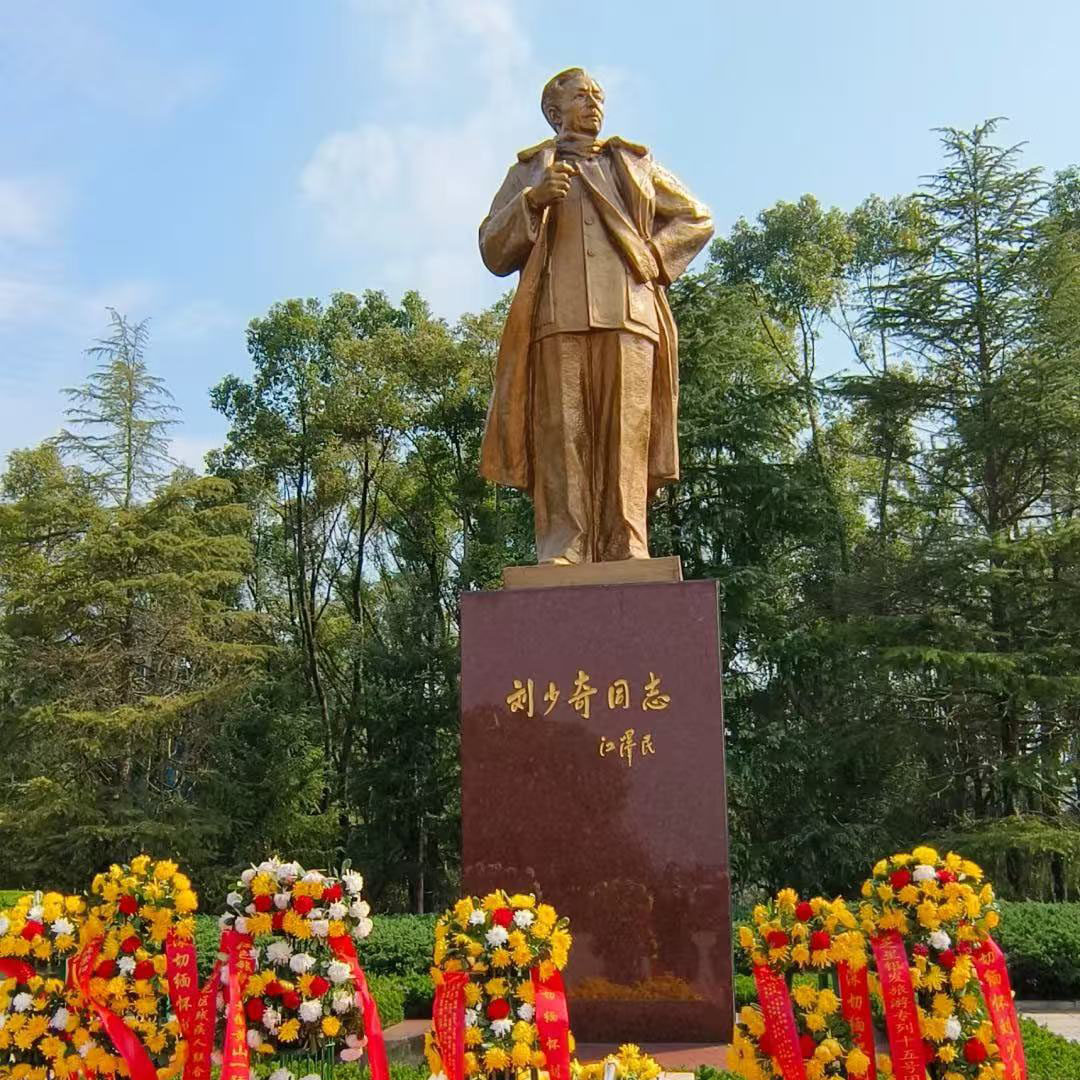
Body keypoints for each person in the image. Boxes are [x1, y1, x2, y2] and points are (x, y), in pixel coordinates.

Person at [478, 67, 713, 564]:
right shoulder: (528, 172)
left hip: (631, 315)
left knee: (627, 433)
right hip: (555, 317)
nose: (593, 104)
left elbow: (697, 217)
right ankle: (565, 543)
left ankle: (627, 542)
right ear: (553, 111)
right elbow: (492, 248)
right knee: (561, 435)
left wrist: (655, 254)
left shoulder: (633, 163)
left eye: (598, 96)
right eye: (582, 96)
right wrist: (532, 201)